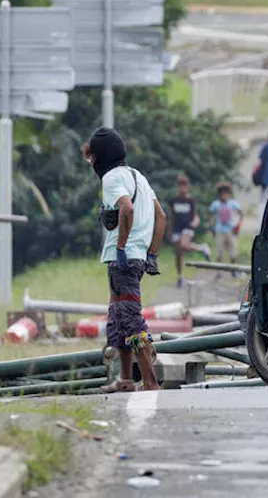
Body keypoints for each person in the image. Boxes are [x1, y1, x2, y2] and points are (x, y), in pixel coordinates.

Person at [88, 127, 167, 393]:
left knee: (131, 319)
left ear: (99, 158)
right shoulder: (138, 176)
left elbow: (127, 208)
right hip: (137, 258)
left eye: (92, 158)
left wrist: (121, 246)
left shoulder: (111, 178)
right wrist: (152, 253)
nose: (91, 163)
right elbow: (161, 216)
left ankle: (150, 382)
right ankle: (124, 378)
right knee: (118, 318)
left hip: (123, 260)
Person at [168, 174, 212, 288]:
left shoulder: (190, 200)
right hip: (177, 229)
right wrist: (169, 230)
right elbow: (171, 216)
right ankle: (180, 276)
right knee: (178, 253)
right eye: (180, 186)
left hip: (187, 227)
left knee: (183, 244)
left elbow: (195, 215)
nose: (182, 189)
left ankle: (202, 248)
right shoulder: (173, 200)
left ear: (188, 187)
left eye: (184, 186)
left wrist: (195, 222)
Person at [208, 183, 244, 270]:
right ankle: (219, 270)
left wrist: (238, 225)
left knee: (233, 250)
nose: (224, 196)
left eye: (226, 193)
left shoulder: (232, 203)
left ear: (229, 194)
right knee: (219, 251)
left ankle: (232, 269)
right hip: (220, 230)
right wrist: (211, 225)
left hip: (230, 230)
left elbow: (241, 214)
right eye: (222, 194)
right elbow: (210, 214)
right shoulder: (216, 204)